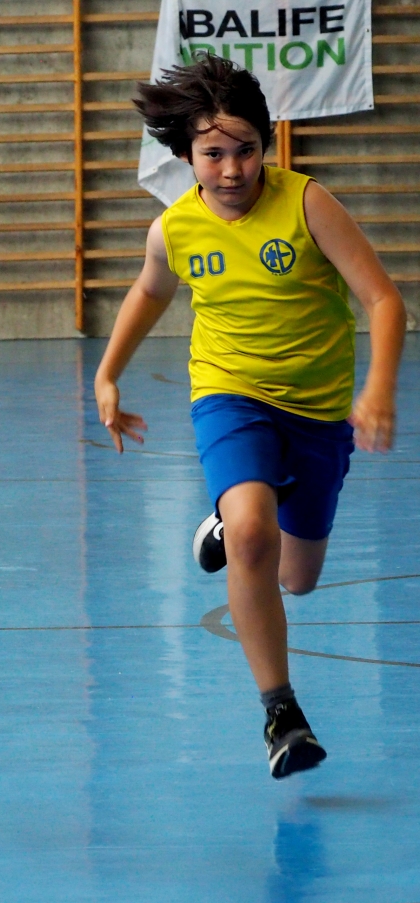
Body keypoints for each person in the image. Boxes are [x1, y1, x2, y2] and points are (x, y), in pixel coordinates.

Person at [93, 55, 405, 779]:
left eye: (246, 150)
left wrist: (380, 388)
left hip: (319, 412)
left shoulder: (307, 204)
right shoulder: (174, 229)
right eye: (214, 153)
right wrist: (107, 374)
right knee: (255, 534)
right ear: (185, 156)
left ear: (268, 145)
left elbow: (384, 300)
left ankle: (226, 521)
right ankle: (281, 712)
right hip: (230, 393)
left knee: (297, 578)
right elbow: (149, 292)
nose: (232, 169)